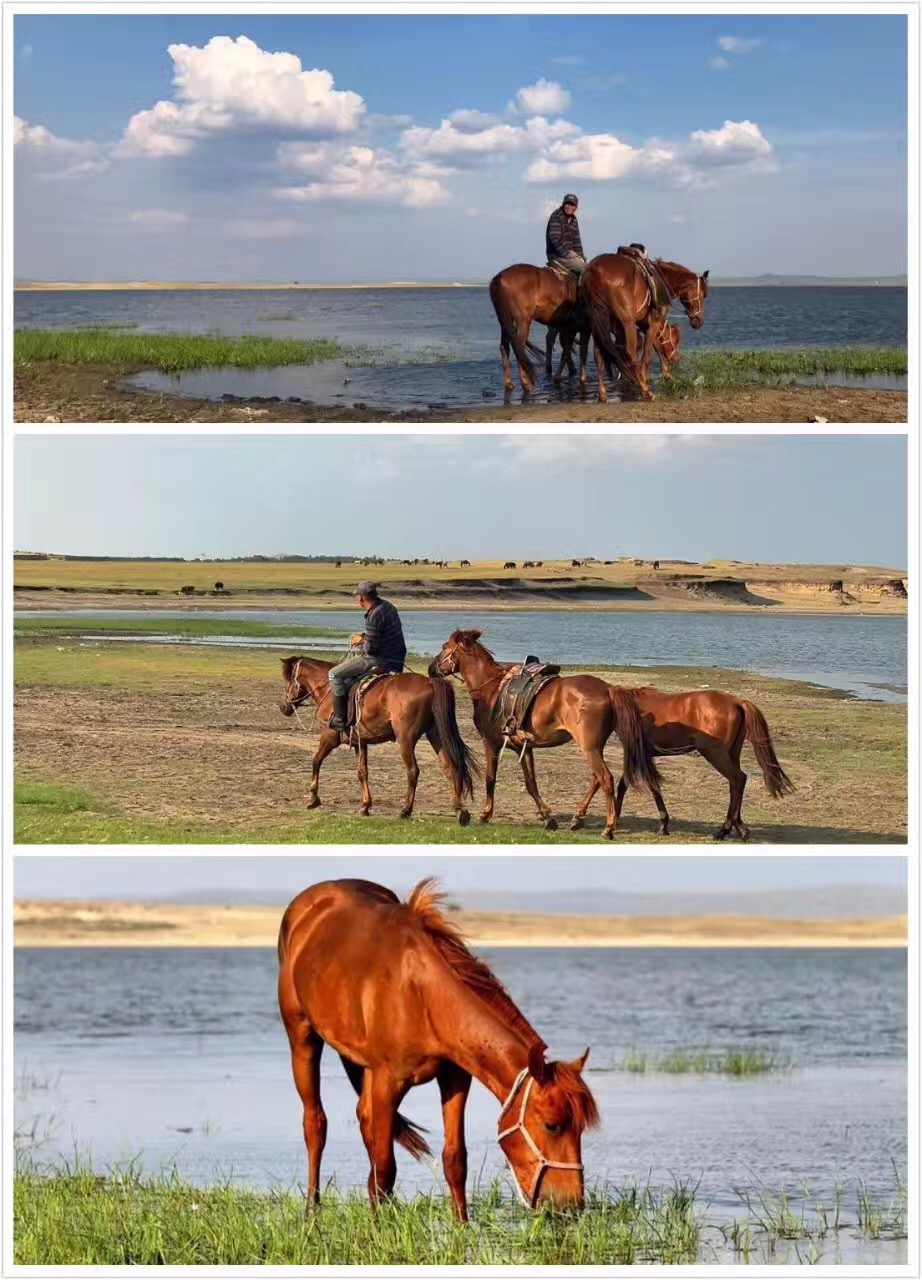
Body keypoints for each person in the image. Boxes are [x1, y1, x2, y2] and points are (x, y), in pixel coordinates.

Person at [327, 581, 407, 731]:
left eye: (356, 595)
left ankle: (339, 718)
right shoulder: (388, 606)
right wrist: (367, 636)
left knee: (334, 674)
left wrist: (362, 641)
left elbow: (371, 649)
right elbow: (383, 633)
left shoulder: (373, 615)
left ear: (361, 598)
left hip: (380, 659)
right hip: (398, 658)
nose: (356, 599)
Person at [546, 193, 587, 278]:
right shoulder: (557, 217)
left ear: (576, 207)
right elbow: (555, 239)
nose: (569, 207)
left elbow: (577, 242)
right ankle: (580, 290)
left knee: (588, 265)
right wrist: (567, 253)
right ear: (563, 204)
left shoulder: (574, 220)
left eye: (572, 205)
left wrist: (582, 257)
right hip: (557, 256)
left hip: (569, 256)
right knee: (583, 268)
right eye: (567, 204)